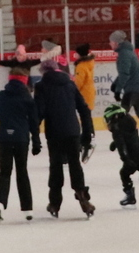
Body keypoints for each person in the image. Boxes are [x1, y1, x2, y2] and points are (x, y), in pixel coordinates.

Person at [35, 55, 95, 219]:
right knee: (75, 165)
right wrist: (88, 132)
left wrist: (32, 132)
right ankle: (84, 199)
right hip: (72, 131)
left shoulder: (41, 86)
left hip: (54, 132)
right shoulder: (70, 83)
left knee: (55, 166)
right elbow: (84, 109)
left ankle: (54, 202)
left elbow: (39, 112)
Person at [0, 59, 40, 222]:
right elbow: (34, 122)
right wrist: (36, 141)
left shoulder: (1, 95)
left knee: (4, 172)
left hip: (3, 138)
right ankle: (27, 209)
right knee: (22, 172)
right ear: (25, 81)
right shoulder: (27, 98)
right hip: (21, 138)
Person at [72, 43, 98, 108]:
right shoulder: (89, 63)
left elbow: (79, 82)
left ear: (80, 54)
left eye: (77, 53)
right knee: (87, 114)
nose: (75, 54)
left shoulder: (81, 66)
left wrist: (73, 92)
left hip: (83, 94)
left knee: (85, 115)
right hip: (90, 92)